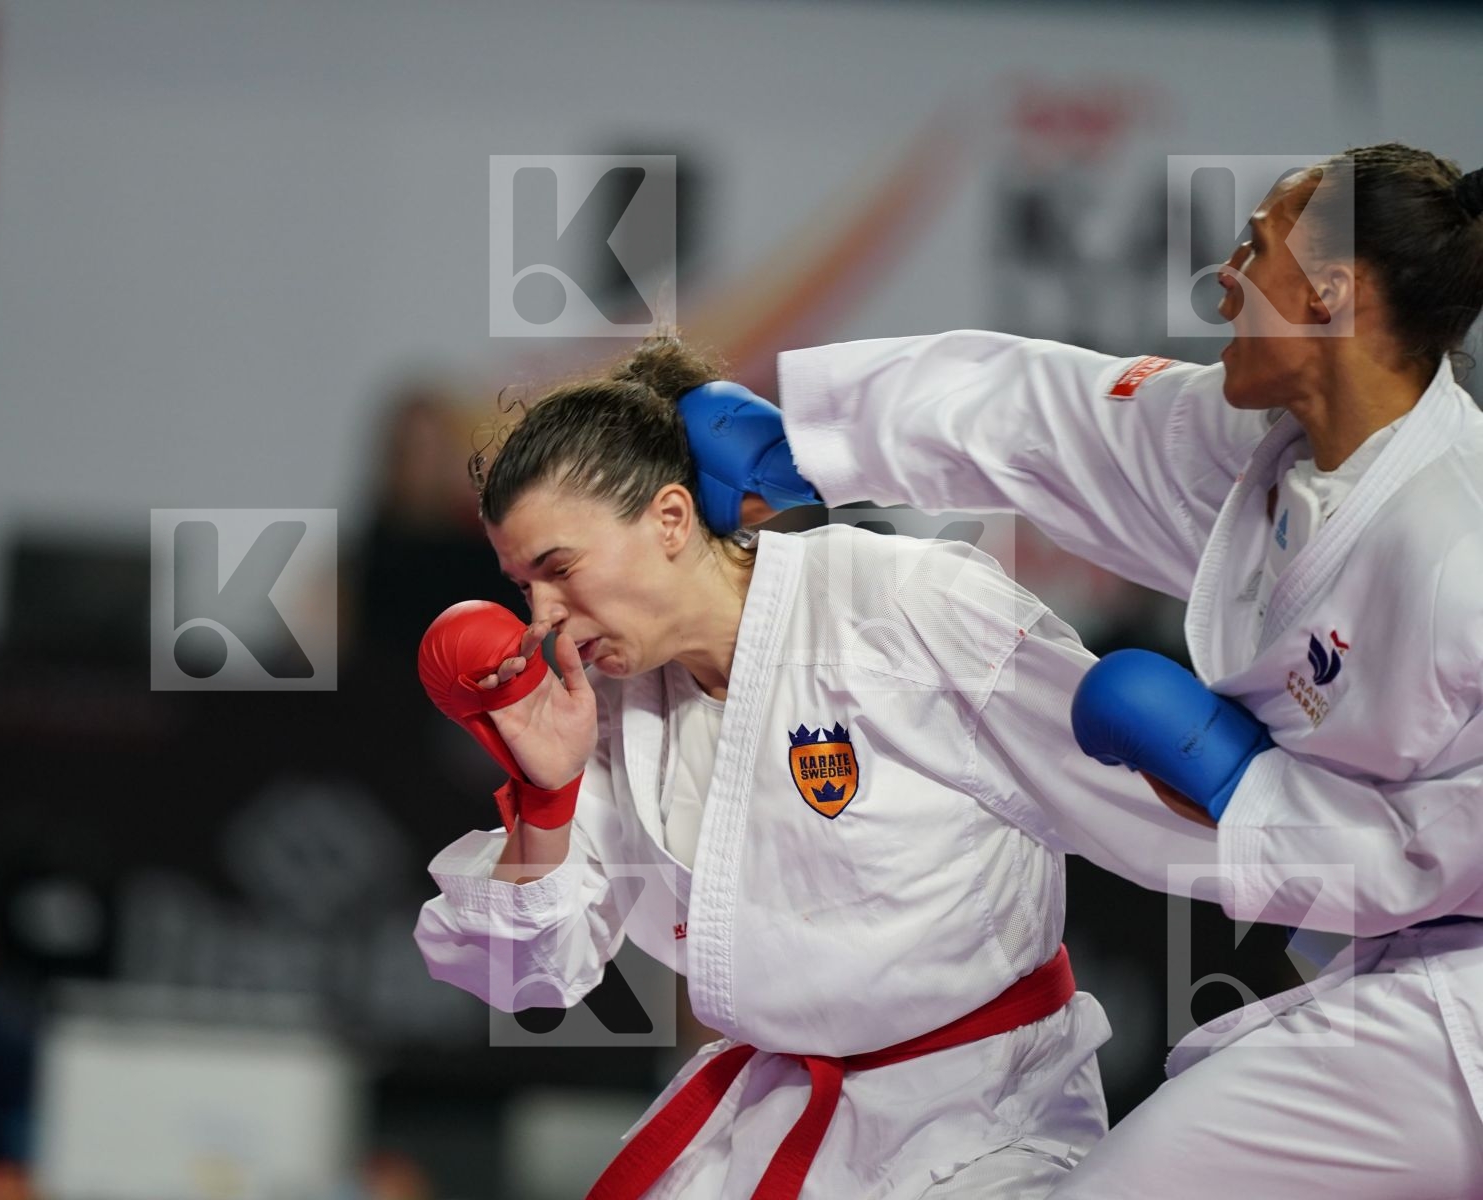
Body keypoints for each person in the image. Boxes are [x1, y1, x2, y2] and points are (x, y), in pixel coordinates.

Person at [716, 143, 1483, 1196]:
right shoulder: (1273, 442)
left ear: (1328, 295)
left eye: (1253, 248)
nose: (1225, 277)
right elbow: (1060, 417)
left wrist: (1241, 786)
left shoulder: (1458, 548)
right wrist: (814, 442)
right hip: (1406, 982)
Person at [412, 337, 1218, 1199]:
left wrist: (1332, 859)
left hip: (979, 1126)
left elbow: (1144, 796)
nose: (542, 616)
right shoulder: (606, 706)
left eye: (558, 570)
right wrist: (548, 793)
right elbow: (526, 976)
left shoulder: (900, 606)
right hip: (765, 1131)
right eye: (521, 585)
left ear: (672, 518)